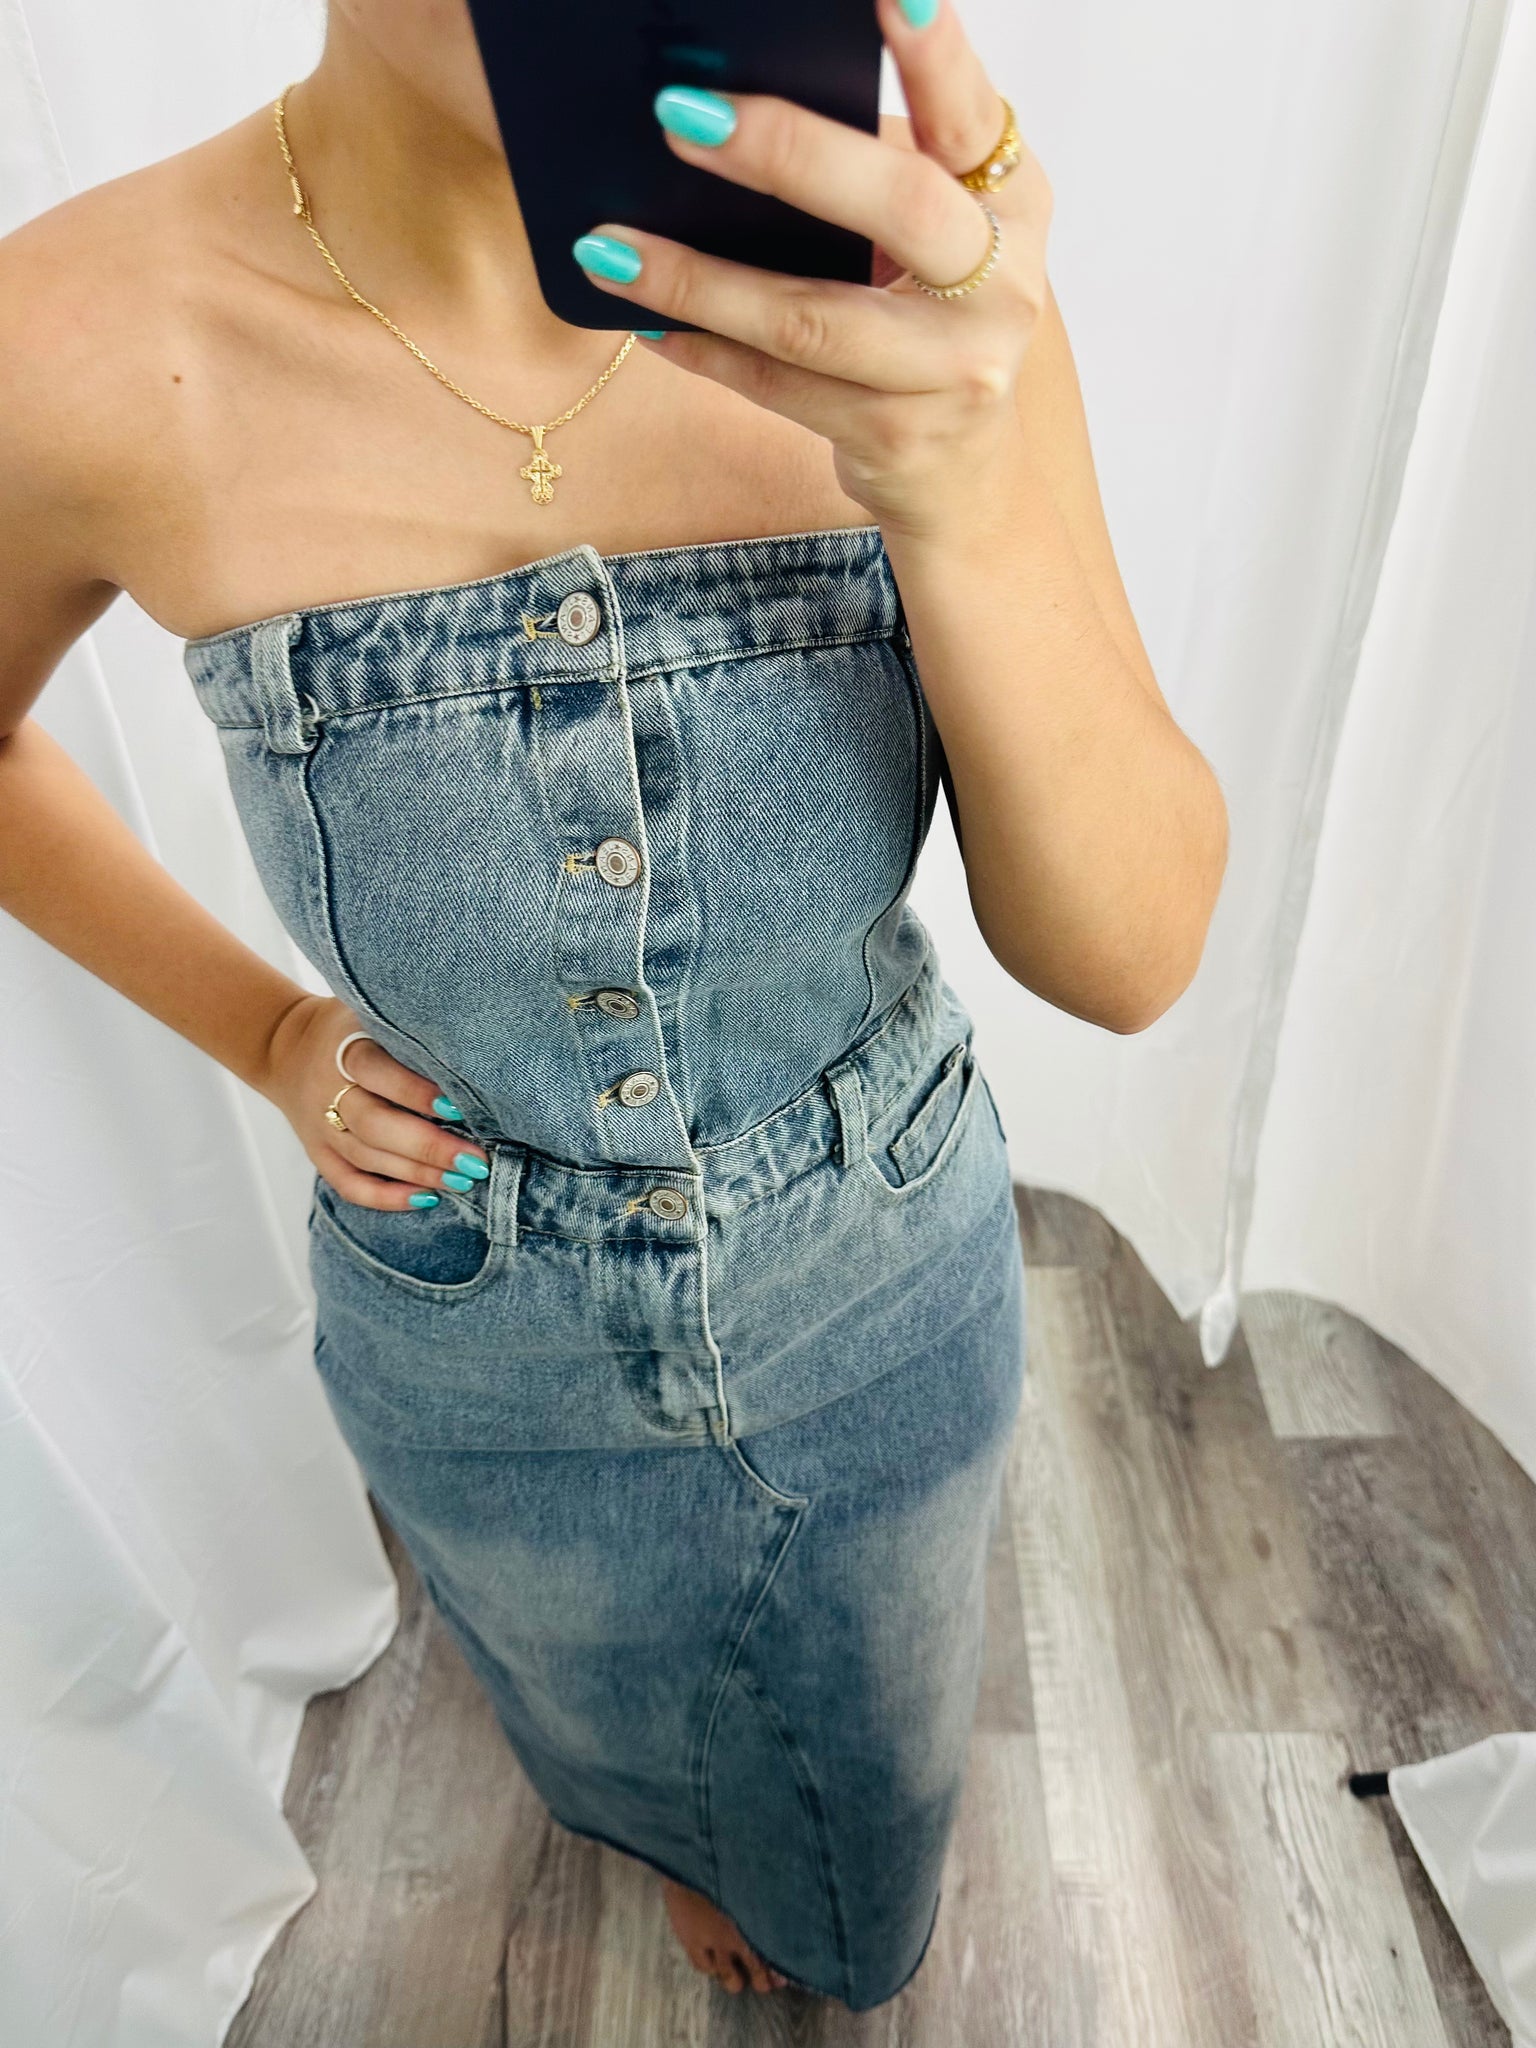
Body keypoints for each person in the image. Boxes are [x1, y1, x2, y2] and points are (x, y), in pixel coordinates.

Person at [0, 0, 1227, 2010]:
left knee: (870, 1798)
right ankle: (668, 1832)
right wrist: (270, 1035)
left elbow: (1134, 950)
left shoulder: (908, 298)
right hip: (478, 1357)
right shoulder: (76, 339)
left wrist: (963, 483)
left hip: (882, 1290)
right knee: (596, 1718)